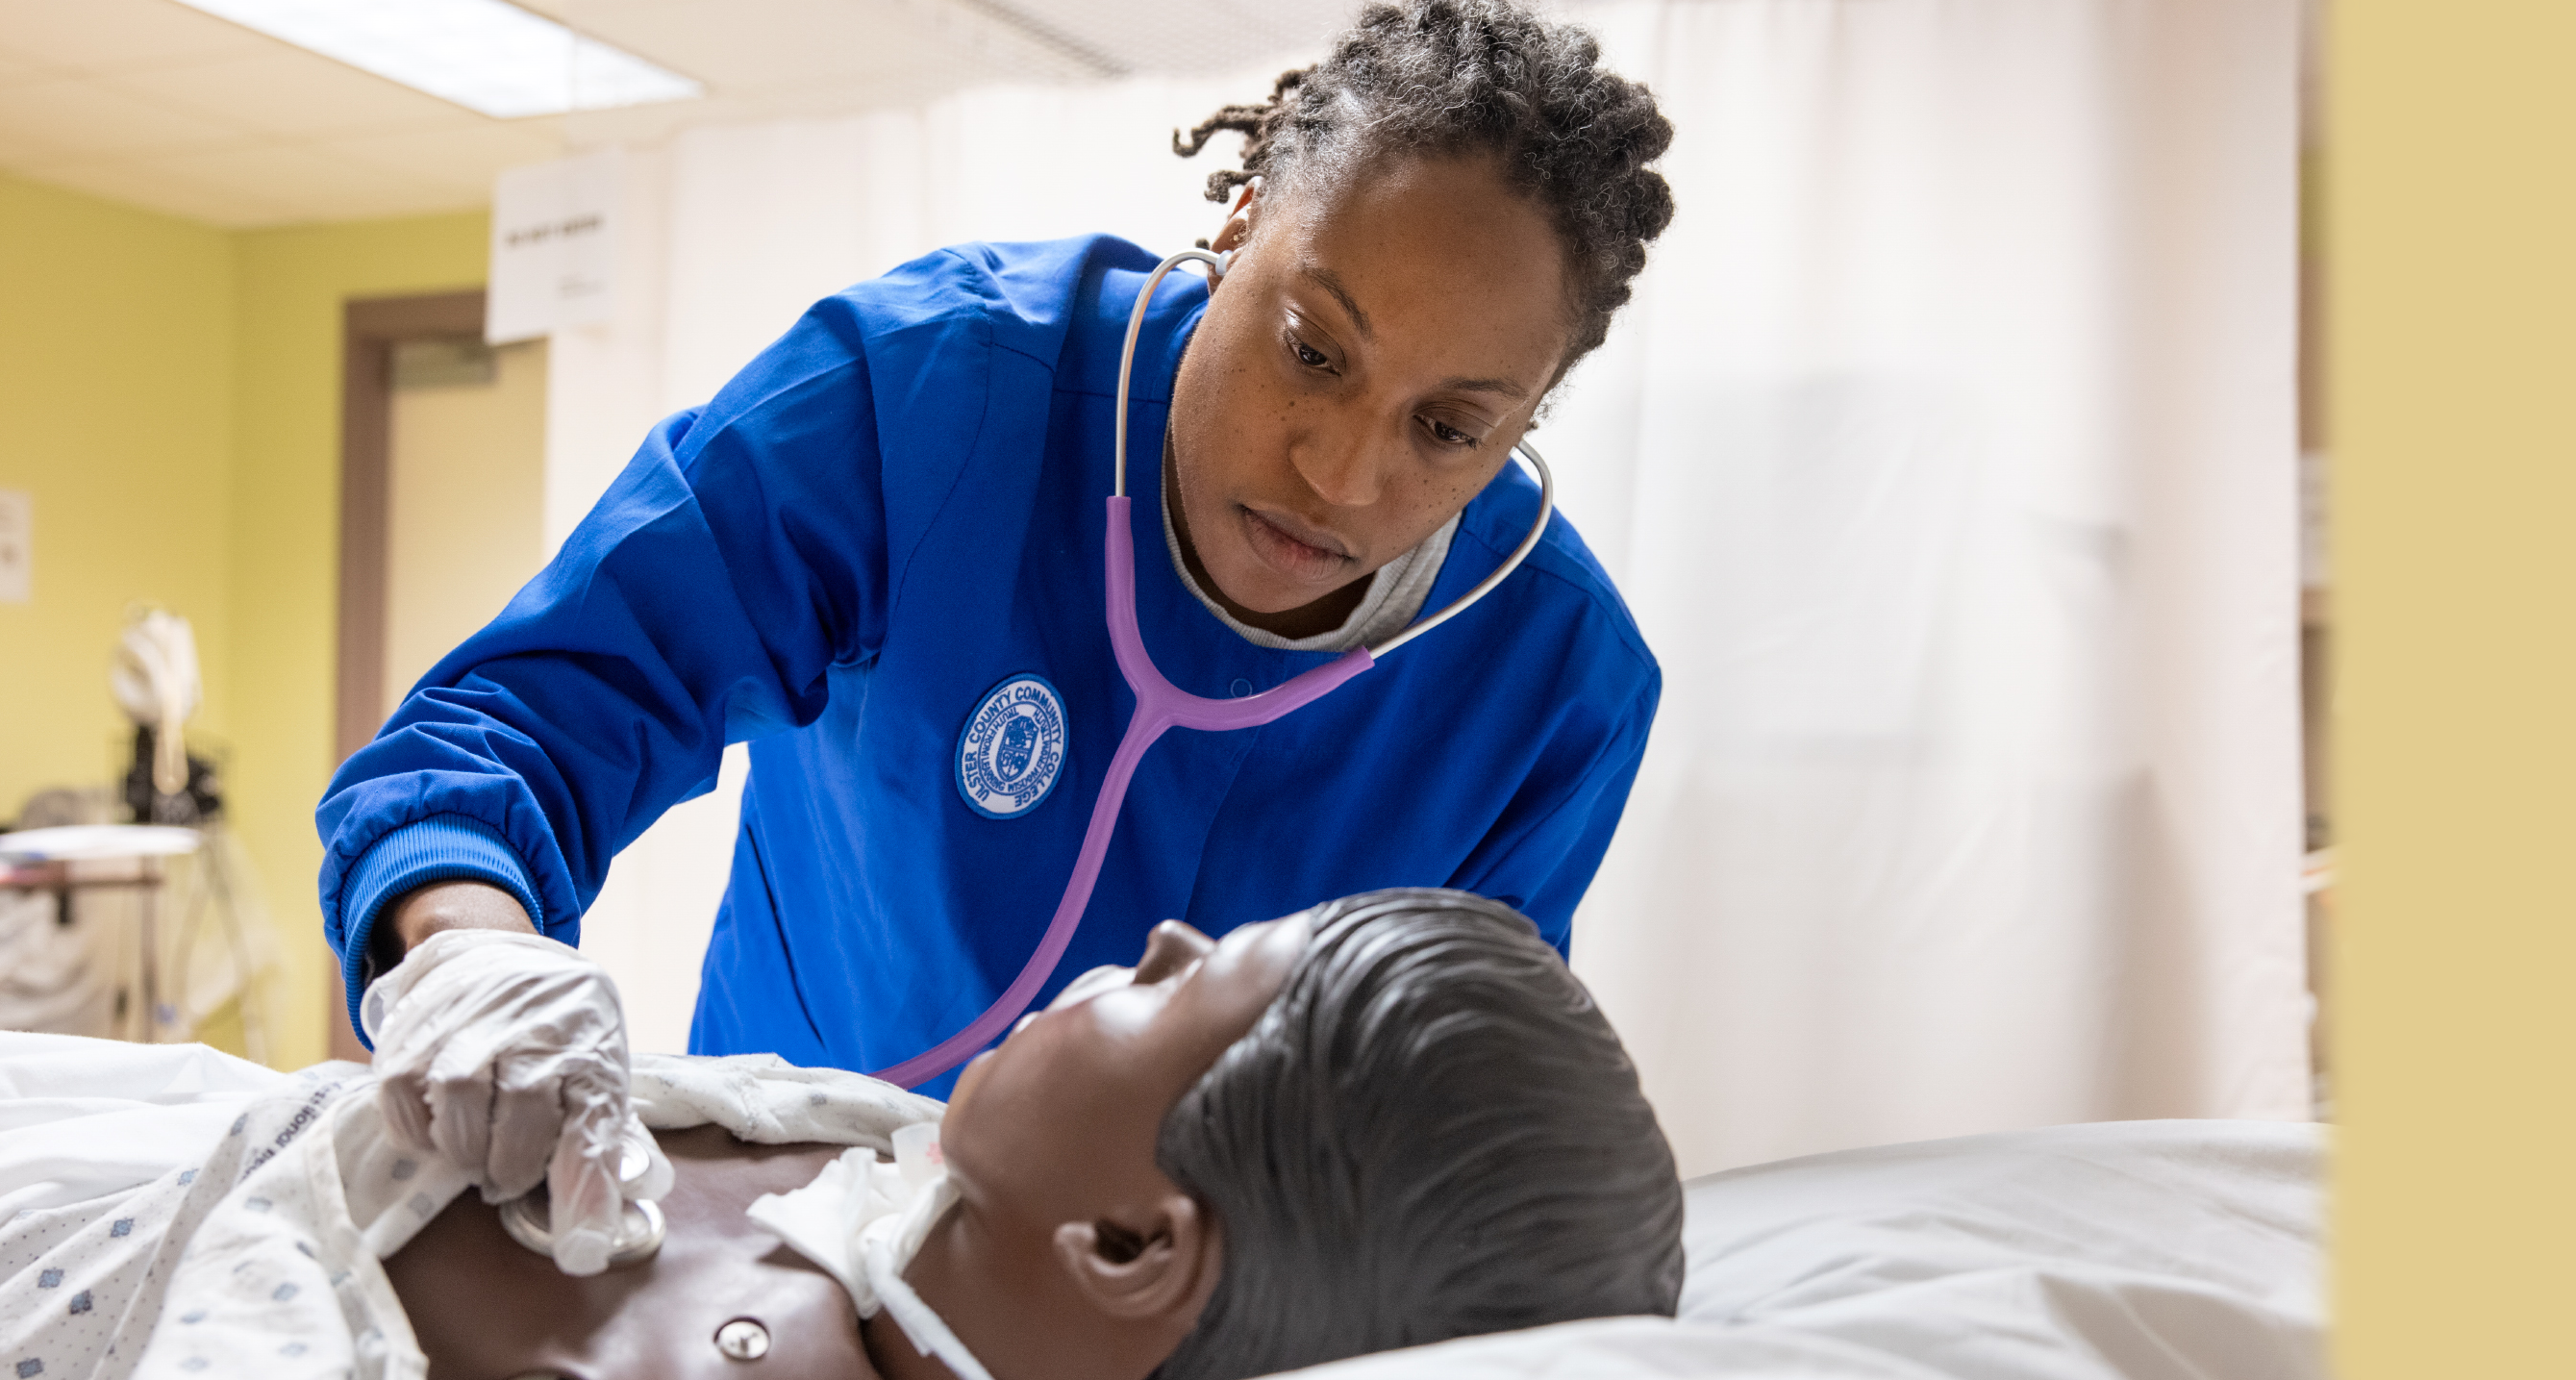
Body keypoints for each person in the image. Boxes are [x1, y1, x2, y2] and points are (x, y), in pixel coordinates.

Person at [318, 0, 1682, 1093]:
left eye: (1449, 428)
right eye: (1312, 349)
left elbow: (1443, 1091)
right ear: (1243, 219)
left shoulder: (1553, 685)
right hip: (777, 1221)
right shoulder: (929, 397)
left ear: (1532, 417)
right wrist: (469, 962)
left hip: (1172, 1301)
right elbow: (521, 719)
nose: (1341, 473)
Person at [0, 891, 1682, 1380]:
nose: (1149, 937)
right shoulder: (912, 1182)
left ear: (1135, 1245)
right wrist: (483, 969)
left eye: (1185, 981)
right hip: (76, 1114)